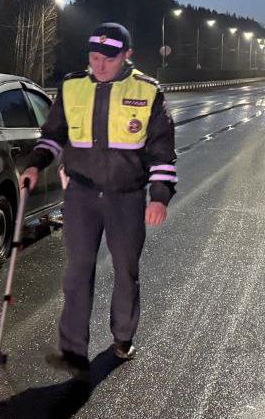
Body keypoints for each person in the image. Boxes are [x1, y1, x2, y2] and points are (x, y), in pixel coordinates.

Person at [20, 22, 176, 377]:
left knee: (126, 270)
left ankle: (123, 336)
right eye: (94, 57)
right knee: (77, 271)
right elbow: (53, 136)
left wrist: (159, 196)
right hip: (81, 195)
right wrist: (34, 164)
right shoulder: (72, 87)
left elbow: (162, 151)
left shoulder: (148, 91)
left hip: (126, 197)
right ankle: (73, 350)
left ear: (127, 55)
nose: (100, 65)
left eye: (109, 58)